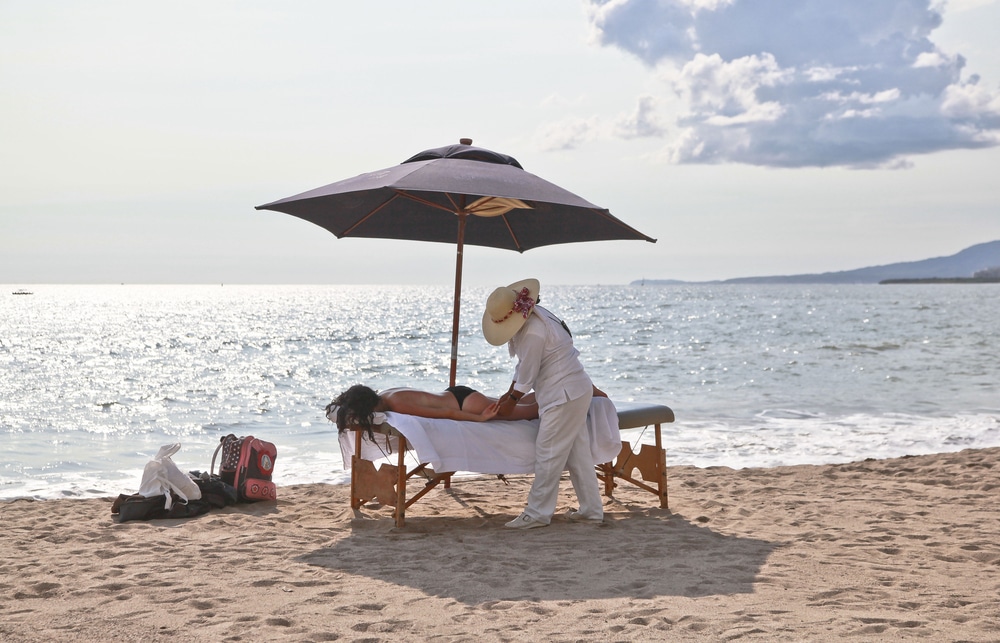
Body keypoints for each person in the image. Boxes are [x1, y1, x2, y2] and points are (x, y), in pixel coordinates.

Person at [483, 278, 604, 529]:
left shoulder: (533, 331)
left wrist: (511, 402)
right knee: (578, 455)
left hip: (564, 395)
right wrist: (508, 394)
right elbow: (523, 367)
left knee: (547, 453)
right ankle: (591, 511)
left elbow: (528, 373)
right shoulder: (536, 316)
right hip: (573, 391)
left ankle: (537, 513)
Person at [326, 384, 540, 436]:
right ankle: (549, 389)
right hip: (457, 394)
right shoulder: (388, 393)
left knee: (530, 412)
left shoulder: (397, 404)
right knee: (523, 403)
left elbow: (446, 414)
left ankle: (556, 399)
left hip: (465, 405)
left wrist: (480, 418)